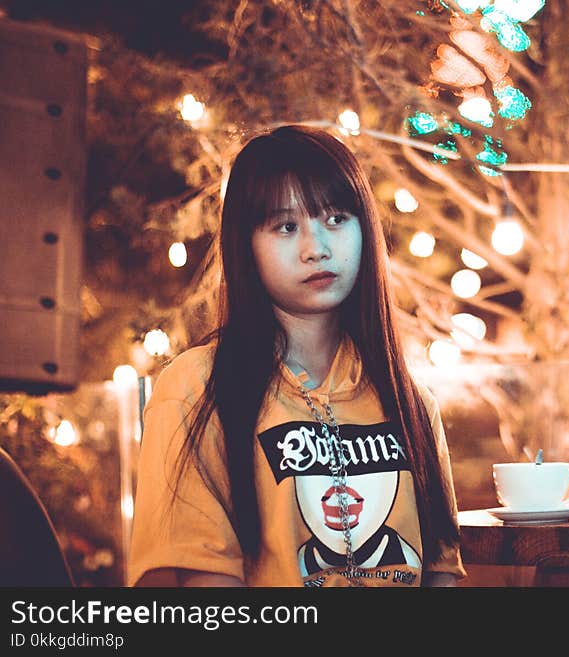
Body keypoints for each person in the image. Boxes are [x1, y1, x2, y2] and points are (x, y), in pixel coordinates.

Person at [127, 125, 466, 587]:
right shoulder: (198, 388)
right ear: (246, 246)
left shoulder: (411, 401)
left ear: (364, 229)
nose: (316, 249)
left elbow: (440, 575)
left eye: (336, 219)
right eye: (286, 227)